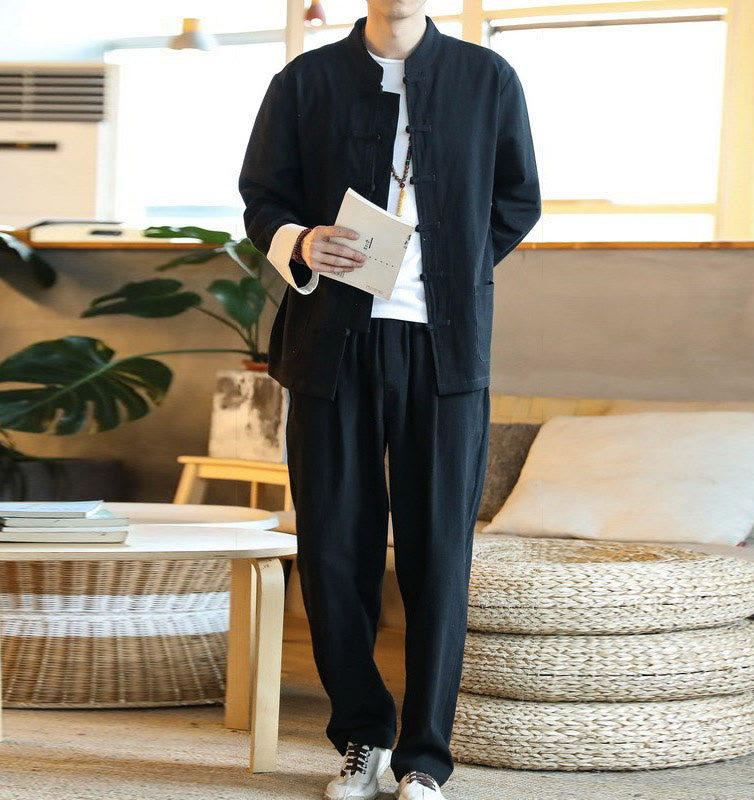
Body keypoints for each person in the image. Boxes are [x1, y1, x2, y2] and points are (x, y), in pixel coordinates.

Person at [239, 4, 540, 798]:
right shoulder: (304, 81)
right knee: (334, 549)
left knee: (439, 551)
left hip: (445, 351)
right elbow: (262, 196)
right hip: (330, 346)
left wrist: (455, 268)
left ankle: (425, 758)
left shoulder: (487, 78)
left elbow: (518, 198)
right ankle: (362, 736)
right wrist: (302, 242)